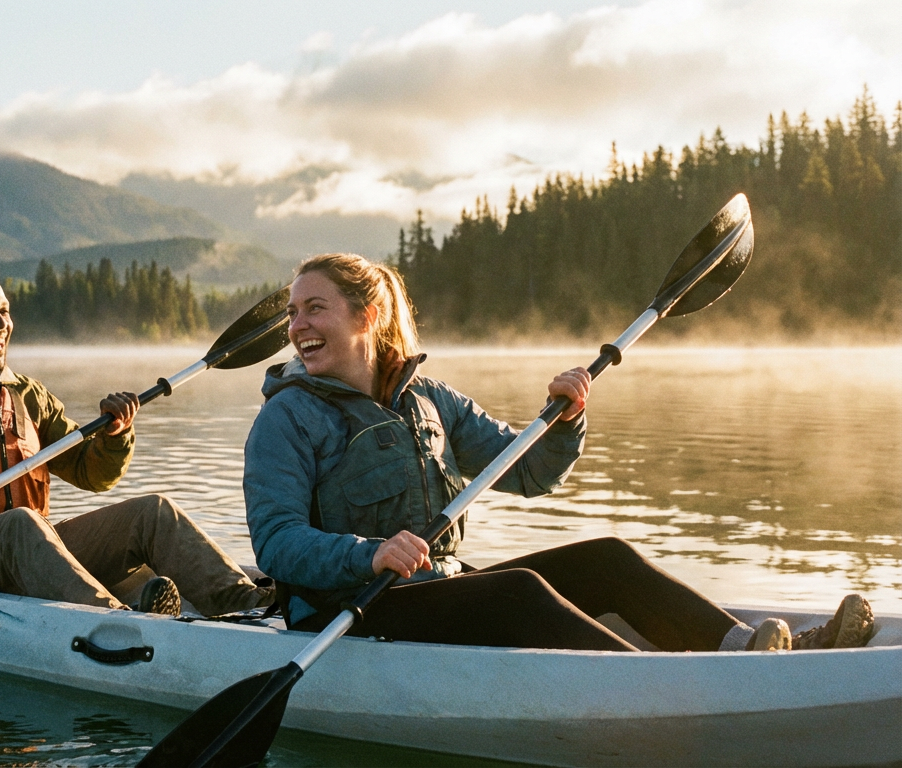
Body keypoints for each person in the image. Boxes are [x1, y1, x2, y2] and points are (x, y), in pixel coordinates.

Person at [243, 252, 875, 652]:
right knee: (518, 591)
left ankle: (747, 651)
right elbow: (275, 542)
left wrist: (566, 419)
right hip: (350, 612)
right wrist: (370, 552)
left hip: (437, 590)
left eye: (314, 309)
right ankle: (671, 691)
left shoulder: (428, 398)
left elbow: (529, 472)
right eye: (295, 312)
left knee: (607, 557)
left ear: (368, 313)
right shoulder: (287, 419)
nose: (297, 326)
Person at [0, 252, 270, 617]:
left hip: (31, 546)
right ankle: (121, 621)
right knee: (23, 525)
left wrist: (115, 436)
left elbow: (93, 475)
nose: (1, 323)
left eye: (3, 310)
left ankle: (246, 607)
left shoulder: (26, 394)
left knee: (153, 511)